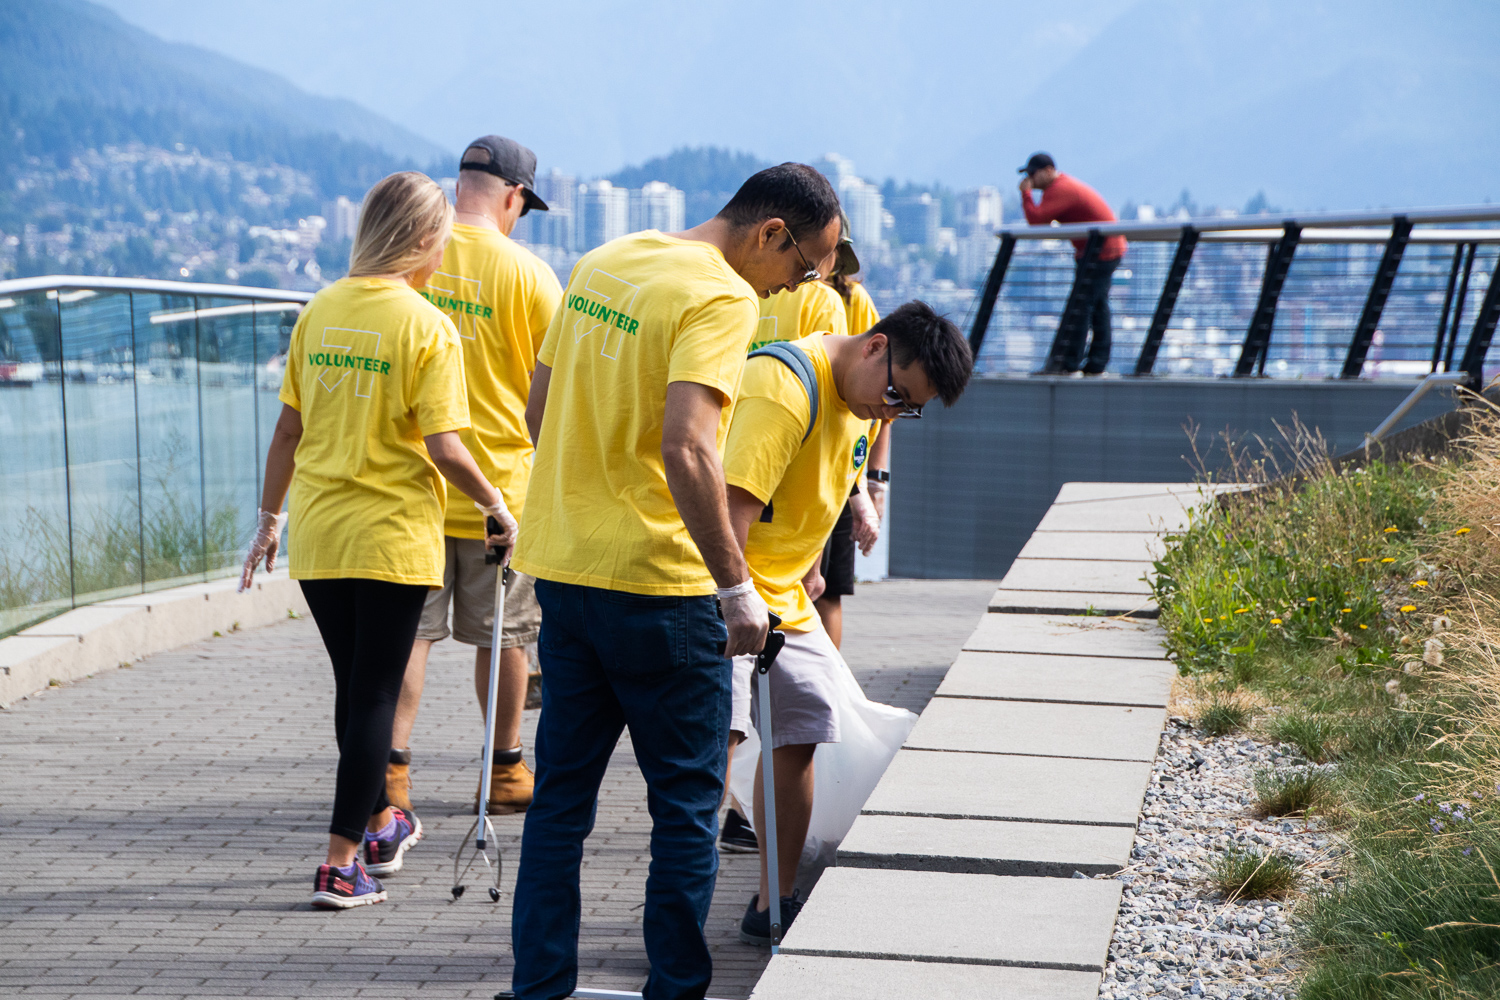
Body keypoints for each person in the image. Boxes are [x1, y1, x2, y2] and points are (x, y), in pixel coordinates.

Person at [504, 163, 843, 1000]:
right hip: (664, 589)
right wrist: (737, 590)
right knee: (687, 811)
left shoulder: (604, 261)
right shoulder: (722, 297)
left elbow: (537, 413)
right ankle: (675, 991)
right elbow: (689, 446)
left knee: (559, 810)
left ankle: (540, 987)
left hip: (568, 577)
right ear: (771, 234)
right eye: (801, 270)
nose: (790, 291)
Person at [239, 171, 518, 910]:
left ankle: (378, 820)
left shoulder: (319, 309)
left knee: (355, 690)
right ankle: (340, 863)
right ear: (425, 240)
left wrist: (269, 520)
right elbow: (447, 446)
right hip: (391, 539)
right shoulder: (427, 325)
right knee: (374, 697)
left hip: (323, 536)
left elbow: (288, 431)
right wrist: (497, 505)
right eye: (442, 243)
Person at [720, 301, 973, 945]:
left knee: (802, 730)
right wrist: (734, 597)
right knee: (713, 744)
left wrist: (808, 564)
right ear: (874, 346)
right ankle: (686, 911)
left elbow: (827, 483)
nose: (891, 412)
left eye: (907, 408)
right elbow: (729, 510)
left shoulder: (861, 405)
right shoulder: (785, 387)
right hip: (723, 589)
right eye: (895, 393)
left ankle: (771, 899)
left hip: (785, 594)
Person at [387, 136, 562, 821]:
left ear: (459, 185)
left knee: (414, 636)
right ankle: (507, 769)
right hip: (502, 492)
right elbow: (552, 392)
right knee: (507, 636)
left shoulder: (406, 258)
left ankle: (393, 773)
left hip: (418, 487)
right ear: (514, 196)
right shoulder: (531, 275)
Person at [1017, 152, 1127, 375]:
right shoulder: (1062, 186)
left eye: (1033, 174)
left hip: (1099, 251)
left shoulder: (1059, 189)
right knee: (1096, 307)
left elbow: (1037, 222)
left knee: (1082, 307)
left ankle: (1069, 363)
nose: (1030, 179)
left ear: (1048, 171)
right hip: (1103, 249)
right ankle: (1095, 363)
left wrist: (1026, 195)